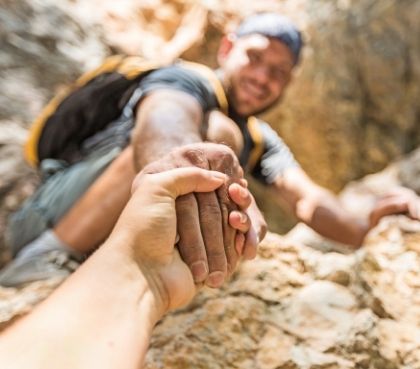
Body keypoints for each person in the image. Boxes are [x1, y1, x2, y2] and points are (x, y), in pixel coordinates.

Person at [1, 12, 418, 288]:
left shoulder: (258, 137)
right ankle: (47, 256)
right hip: (50, 215)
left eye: (277, 73)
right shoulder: (186, 80)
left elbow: (308, 201)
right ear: (226, 49)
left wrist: (368, 226)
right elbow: (164, 118)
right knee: (215, 136)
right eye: (254, 58)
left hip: (116, 222)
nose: (262, 77)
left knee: (224, 138)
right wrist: (180, 163)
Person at [0, 167, 238, 369]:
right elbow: (162, 119)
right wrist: (174, 171)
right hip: (42, 238)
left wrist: (148, 273)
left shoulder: (261, 143)